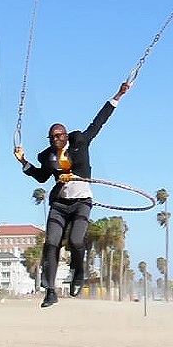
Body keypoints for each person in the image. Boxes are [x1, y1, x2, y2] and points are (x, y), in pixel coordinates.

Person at [15, 82, 130, 308]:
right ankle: (50, 291)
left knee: (77, 241)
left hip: (81, 202)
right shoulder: (47, 156)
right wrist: (23, 161)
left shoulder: (80, 141)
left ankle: (78, 274)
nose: (55, 139)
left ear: (66, 136)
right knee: (51, 243)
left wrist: (118, 95)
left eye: (59, 135)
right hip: (59, 204)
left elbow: (99, 121)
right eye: (52, 137)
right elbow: (40, 177)